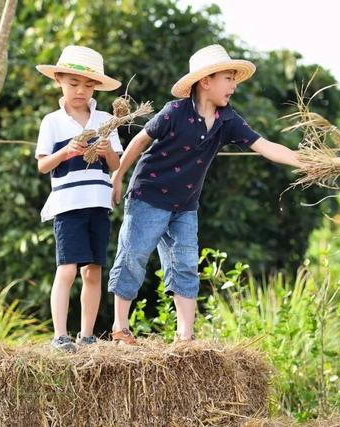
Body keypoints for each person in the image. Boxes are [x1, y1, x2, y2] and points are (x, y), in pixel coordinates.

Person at [107, 44, 302, 345]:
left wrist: (305, 161)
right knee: (134, 254)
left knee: (185, 262)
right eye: (228, 78)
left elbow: (266, 147)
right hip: (149, 195)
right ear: (206, 81)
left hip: (185, 205)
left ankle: (185, 337)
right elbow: (139, 141)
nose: (234, 86)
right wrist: (119, 175)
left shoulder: (228, 121)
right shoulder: (174, 112)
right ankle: (120, 328)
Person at [35, 45, 123, 352]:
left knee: (93, 269)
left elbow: (115, 165)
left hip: (98, 203)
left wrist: (106, 150)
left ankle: (86, 335)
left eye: (88, 85)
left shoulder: (106, 120)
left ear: (96, 87)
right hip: (67, 205)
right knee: (67, 268)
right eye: (73, 83)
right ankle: (60, 335)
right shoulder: (52, 121)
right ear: (59, 79)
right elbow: (43, 164)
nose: (80, 91)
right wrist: (67, 151)